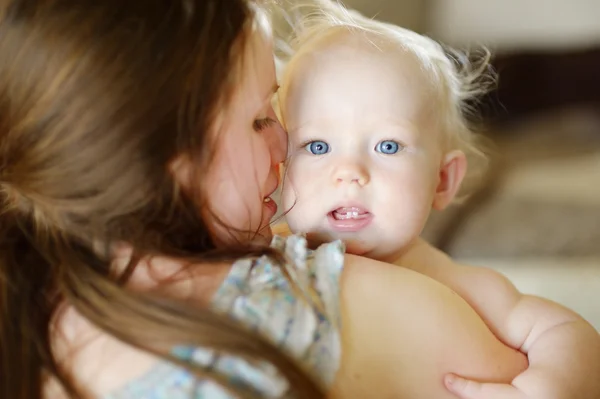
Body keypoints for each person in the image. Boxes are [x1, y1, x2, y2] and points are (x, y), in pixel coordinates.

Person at [0, 1, 527, 398]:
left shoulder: (30, 294)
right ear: (174, 159)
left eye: (387, 146)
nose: (282, 146)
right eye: (258, 121)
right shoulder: (337, 304)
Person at [276, 1, 600, 399]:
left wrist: (548, 387)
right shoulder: (262, 255)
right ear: (279, 164)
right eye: (318, 145)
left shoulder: (453, 283)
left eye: (388, 145)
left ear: (443, 180)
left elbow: (566, 332)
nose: (350, 171)